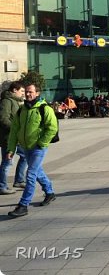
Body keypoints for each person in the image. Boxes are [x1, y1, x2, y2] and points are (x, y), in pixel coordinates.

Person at [6, 83, 58, 218]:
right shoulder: (21, 109)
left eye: (30, 92)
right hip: (25, 147)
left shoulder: (44, 108)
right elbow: (14, 131)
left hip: (38, 148)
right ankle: (50, 192)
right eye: (26, 92)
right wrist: (11, 149)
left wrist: (41, 143)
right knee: (37, 171)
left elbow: (52, 128)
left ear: (37, 93)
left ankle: (23, 205)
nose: (28, 94)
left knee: (30, 174)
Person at [0, 81, 27, 195]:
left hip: (17, 137)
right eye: (22, 91)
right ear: (14, 90)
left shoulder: (17, 102)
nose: (23, 94)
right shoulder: (6, 101)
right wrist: (15, 128)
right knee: (7, 162)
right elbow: (3, 118)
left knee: (25, 156)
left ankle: (19, 180)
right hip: (8, 137)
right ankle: (2, 186)